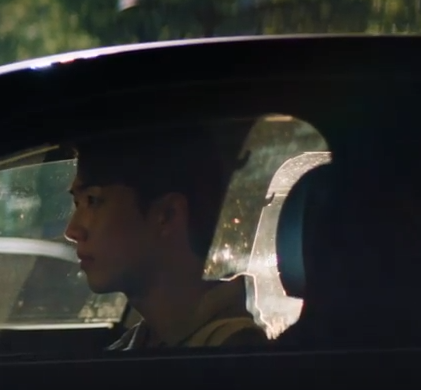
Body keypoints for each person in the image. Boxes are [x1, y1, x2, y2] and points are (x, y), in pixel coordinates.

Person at [63, 125, 268, 350]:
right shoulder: (140, 345)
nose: (72, 231)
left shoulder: (234, 354)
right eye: (77, 203)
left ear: (167, 215)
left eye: (92, 201)